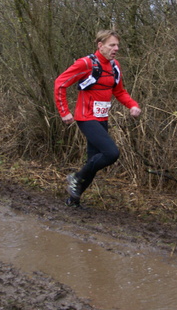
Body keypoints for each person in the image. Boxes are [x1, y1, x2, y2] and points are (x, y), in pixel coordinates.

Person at [54, 30, 141, 208]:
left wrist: (132, 105)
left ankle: (73, 200)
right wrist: (64, 112)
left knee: (92, 164)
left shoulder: (115, 66)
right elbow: (60, 83)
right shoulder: (85, 63)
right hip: (86, 117)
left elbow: (119, 91)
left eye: (117, 45)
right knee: (111, 153)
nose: (116, 49)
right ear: (100, 46)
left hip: (102, 118)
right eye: (111, 45)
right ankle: (76, 178)